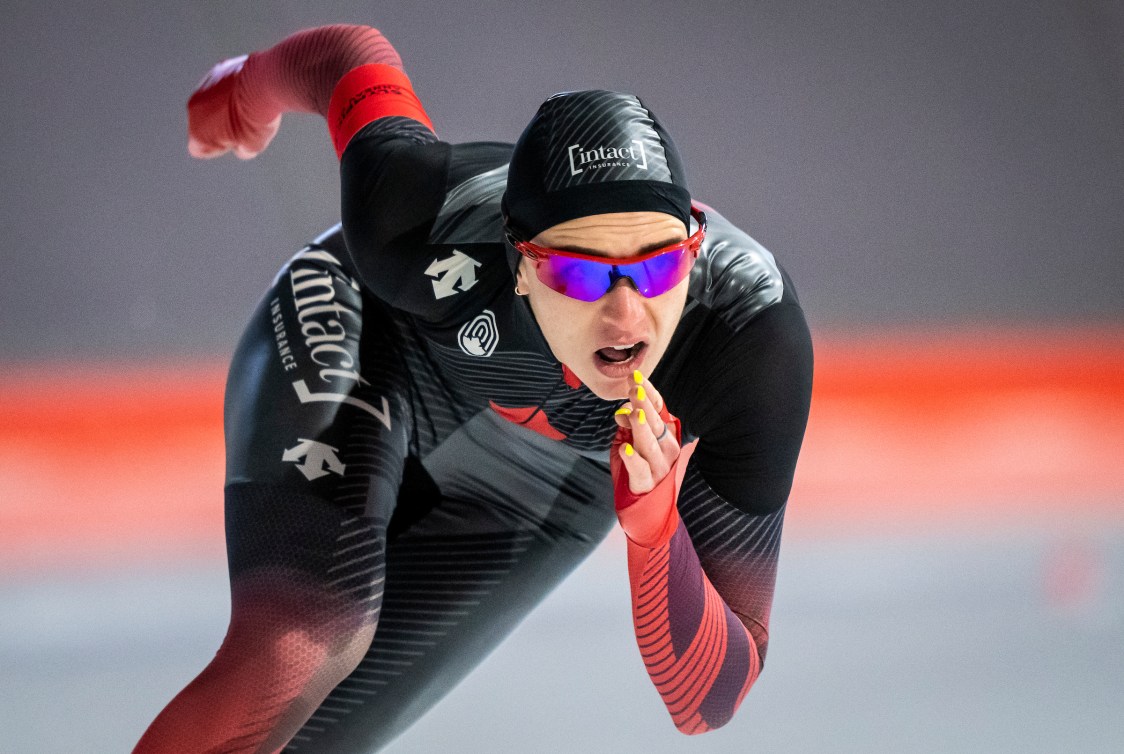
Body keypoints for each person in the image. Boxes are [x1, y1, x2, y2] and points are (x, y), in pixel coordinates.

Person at [134, 23, 813, 754]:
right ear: (519, 262)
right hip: (372, 338)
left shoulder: (749, 339)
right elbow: (349, 58)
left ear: (695, 247)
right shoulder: (420, 213)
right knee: (303, 643)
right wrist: (244, 89)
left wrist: (654, 535)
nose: (625, 311)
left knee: (314, 741)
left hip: (547, 478)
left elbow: (706, 699)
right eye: (580, 273)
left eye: (655, 268)